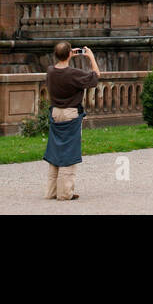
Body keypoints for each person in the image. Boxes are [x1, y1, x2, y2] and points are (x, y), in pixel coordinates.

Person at [43, 41, 101, 200]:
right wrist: (91, 57)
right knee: (69, 152)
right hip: (70, 114)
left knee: (55, 152)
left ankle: (51, 192)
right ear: (70, 54)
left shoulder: (50, 71)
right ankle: (65, 193)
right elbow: (95, 77)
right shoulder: (74, 73)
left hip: (55, 113)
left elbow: (58, 67)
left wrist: (67, 54)